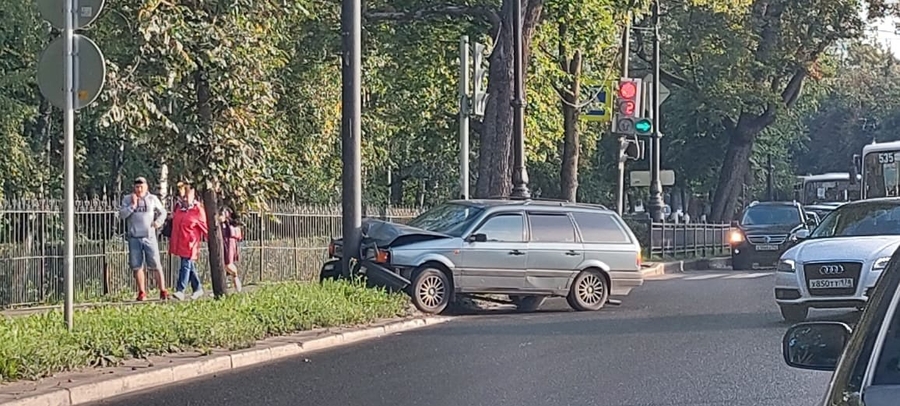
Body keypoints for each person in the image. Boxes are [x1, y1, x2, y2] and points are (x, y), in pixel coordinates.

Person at [119, 177, 169, 301]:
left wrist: (158, 222)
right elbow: (122, 214)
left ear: (146, 187)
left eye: (141, 187)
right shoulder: (127, 199)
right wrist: (133, 205)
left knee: (155, 264)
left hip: (149, 236)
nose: (139, 189)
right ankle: (142, 292)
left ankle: (163, 290)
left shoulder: (152, 199)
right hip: (134, 237)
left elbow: (163, 212)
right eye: (137, 187)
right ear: (134, 188)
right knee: (137, 266)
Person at [169, 181, 207, 300]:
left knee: (185, 265)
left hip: (191, 244)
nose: (184, 199)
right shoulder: (179, 209)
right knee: (190, 266)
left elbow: (206, 227)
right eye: (182, 196)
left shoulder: (197, 210)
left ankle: (180, 290)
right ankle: (198, 288)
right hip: (180, 242)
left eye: (186, 196)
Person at [220, 207, 244, 292]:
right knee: (222, 265)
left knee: (228, 264)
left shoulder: (229, 225)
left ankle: (235, 276)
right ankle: (223, 287)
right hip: (224, 242)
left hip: (229, 242)